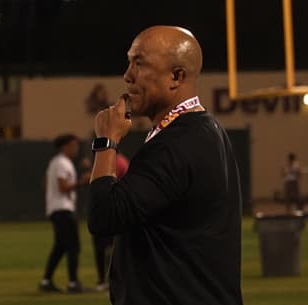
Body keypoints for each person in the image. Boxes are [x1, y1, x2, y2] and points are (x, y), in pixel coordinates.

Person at [88, 26, 243, 305]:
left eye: (139, 63)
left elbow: (104, 215)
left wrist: (106, 141)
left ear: (176, 76)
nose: (127, 75)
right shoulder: (200, 129)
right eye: (129, 62)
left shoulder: (178, 142)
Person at [39, 134, 89, 293]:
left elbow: (45, 183)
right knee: (73, 246)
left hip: (56, 208)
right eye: (73, 145)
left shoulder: (56, 162)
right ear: (65, 146)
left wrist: (51, 197)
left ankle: (46, 281)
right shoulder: (62, 163)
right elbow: (62, 187)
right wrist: (82, 181)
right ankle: (73, 283)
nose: (76, 148)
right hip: (63, 209)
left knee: (60, 247)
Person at [90, 153, 129, 291]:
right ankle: (111, 280)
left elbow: (106, 184)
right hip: (121, 210)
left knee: (105, 248)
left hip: (113, 209)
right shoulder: (121, 160)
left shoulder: (113, 161)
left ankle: (105, 281)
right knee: (113, 248)